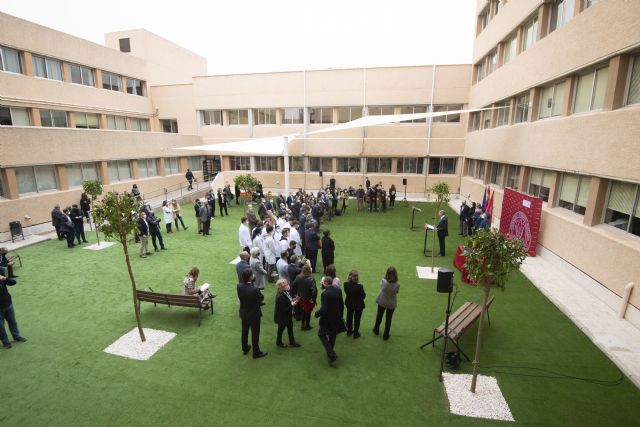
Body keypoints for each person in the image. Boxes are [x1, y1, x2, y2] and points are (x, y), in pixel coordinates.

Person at [237, 268, 267, 359]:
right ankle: (256, 352)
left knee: (244, 330)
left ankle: (245, 348)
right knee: (255, 333)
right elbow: (261, 298)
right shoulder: (254, 289)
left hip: (243, 312)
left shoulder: (239, 286)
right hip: (254, 314)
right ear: (250, 277)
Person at [315, 276, 345, 366]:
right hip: (337, 318)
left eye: (323, 282)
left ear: (327, 283)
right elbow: (341, 305)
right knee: (332, 336)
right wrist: (341, 317)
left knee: (321, 334)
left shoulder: (325, 294)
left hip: (327, 320)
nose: (322, 283)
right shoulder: (338, 290)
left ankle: (331, 354)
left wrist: (316, 314)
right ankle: (330, 353)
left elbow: (324, 309)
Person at [373, 266, 400, 341]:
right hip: (391, 303)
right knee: (388, 319)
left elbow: (381, 286)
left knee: (379, 316)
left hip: (382, 301)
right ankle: (386, 335)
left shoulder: (383, 281)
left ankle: (376, 330)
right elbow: (397, 292)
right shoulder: (397, 284)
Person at [0, 274, 27, 349]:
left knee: (13, 322)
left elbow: (13, 282)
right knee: (1, 327)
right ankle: (5, 342)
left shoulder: (1, 277)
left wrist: (5, 278)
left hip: (8, 304)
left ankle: (16, 336)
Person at [274, 279, 301, 348]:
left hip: (286, 316)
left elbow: (289, 300)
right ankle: (279, 342)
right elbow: (284, 309)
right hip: (282, 317)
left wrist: (294, 299)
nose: (288, 286)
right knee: (281, 329)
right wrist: (292, 304)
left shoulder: (285, 292)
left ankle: (291, 342)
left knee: (289, 328)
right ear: (281, 287)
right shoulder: (280, 297)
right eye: (286, 285)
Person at [294, 264, 317, 330]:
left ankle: (303, 324)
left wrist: (296, 294)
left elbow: (293, 286)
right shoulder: (311, 279)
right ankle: (307, 326)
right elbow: (314, 291)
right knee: (308, 312)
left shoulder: (298, 277)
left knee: (304, 310)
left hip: (301, 298)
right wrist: (313, 299)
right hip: (308, 299)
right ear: (309, 270)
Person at [344, 270, 366, 338]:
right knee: (357, 319)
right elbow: (363, 296)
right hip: (358, 305)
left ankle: (349, 331)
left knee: (349, 317)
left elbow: (346, 292)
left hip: (349, 303)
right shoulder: (360, 286)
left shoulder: (346, 284)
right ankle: (356, 333)